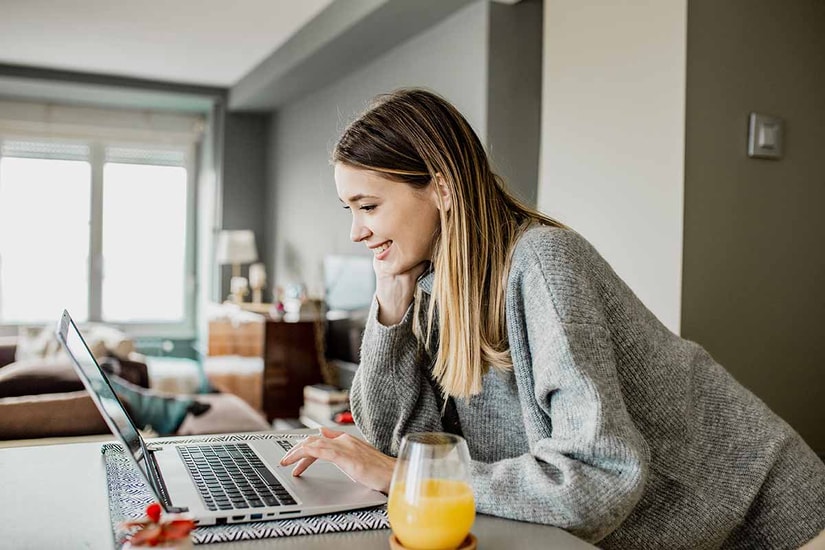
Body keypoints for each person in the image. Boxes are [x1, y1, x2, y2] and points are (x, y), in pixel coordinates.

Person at [279, 88, 825, 548]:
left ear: (441, 187)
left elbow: (599, 477)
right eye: (348, 210)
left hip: (768, 525)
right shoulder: (434, 284)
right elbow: (399, 447)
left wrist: (398, 474)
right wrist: (392, 296)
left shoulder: (542, 262)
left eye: (368, 207)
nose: (355, 232)